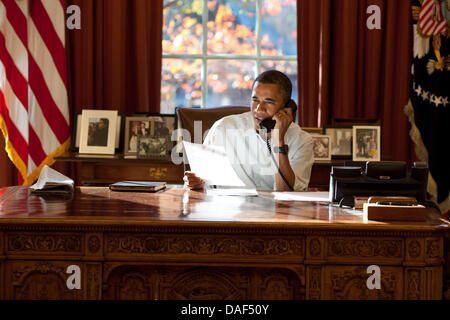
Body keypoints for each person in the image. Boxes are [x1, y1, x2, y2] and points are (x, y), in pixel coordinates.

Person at [184, 70, 314, 191]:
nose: (258, 109)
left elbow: (287, 194)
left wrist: (278, 141)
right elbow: (203, 183)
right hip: (227, 212)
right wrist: (196, 182)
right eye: (255, 100)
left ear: (286, 108)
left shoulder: (302, 141)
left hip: (273, 214)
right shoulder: (223, 128)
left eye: (269, 102)